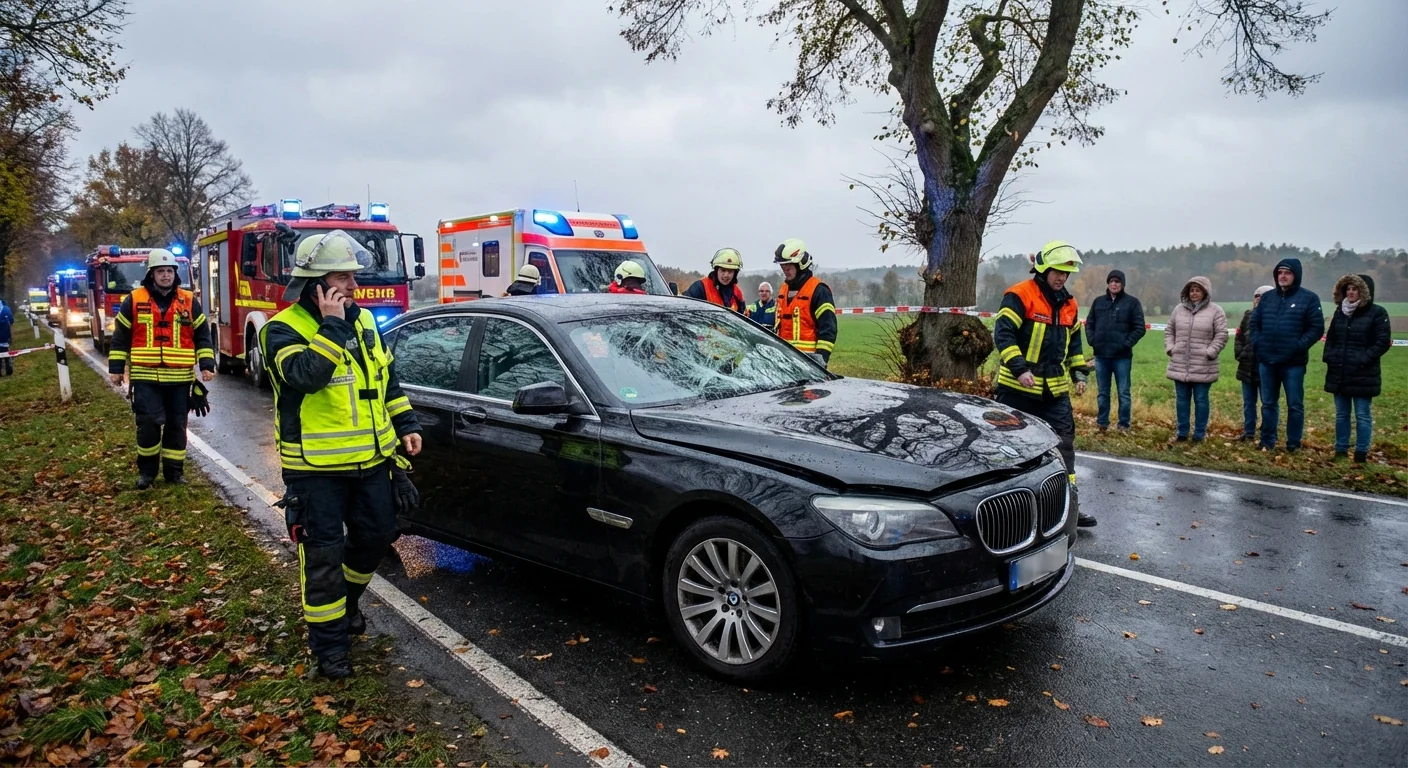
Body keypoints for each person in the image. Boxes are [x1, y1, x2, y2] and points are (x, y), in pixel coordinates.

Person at [258, 230, 423, 679]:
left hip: (371, 463)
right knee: (324, 560)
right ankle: (328, 650)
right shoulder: (280, 330)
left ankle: (347, 605)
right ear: (316, 284)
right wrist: (331, 325)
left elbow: (385, 379)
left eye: (353, 277)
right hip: (315, 471)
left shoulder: (365, 321)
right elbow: (306, 377)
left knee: (377, 536)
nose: (353, 286)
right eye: (342, 278)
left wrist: (404, 424)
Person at [994, 241, 1095, 527]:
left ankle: (1070, 507)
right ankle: (1008, 510)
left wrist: (1079, 374)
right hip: (1017, 389)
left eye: (1066, 273)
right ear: (1043, 269)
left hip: (1055, 389)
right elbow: (1003, 336)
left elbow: (1074, 343)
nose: (1062, 277)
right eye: (1057, 271)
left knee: (1065, 448)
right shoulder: (1019, 295)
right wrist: (1019, 369)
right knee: (1011, 449)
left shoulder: (1070, 303)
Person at [107, 249, 215, 489]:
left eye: (169, 271)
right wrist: (116, 368)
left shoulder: (188, 300)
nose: (165, 275)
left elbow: (202, 335)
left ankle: (174, 473)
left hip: (179, 379)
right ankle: (147, 473)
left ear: (174, 274)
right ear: (151, 274)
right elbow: (120, 337)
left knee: (177, 426)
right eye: (160, 271)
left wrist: (207, 364)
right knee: (147, 425)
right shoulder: (134, 299)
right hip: (146, 378)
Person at [1249, 258, 1325, 452]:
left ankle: (1293, 443)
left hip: (1293, 363)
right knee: (1268, 404)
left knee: (1295, 405)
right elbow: (1254, 324)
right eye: (1280, 272)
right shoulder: (1267, 298)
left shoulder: (1309, 298)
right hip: (1267, 361)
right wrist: (1259, 344)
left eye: (1287, 273)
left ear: (1296, 275)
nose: (1283, 276)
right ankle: (1267, 441)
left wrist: (1298, 346)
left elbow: (1316, 328)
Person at [1322, 274, 1392, 463]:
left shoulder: (1377, 313)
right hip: (1340, 371)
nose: (1351, 292)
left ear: (1364, 292)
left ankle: (1361, 452)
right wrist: (1329, 356)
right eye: (1348, 289)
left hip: (1363, 373)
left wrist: (1363, 358)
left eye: (1355, 289)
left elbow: (1382, 341)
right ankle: (1340, 449)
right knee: (1342, 414)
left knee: (1362, 414)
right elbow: (1331, 338)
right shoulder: (1340, 312)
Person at [1164, 276, 1228, 443]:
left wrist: (1211, 352)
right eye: (1191, 290)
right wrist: (1171, 348)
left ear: (1205, 292)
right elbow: (1169, 330)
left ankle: (1199, 434)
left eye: (1197, 290)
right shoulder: (1178, 310)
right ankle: (1182, 433)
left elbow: (1222, 334)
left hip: (1203, 365)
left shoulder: (1216, 311)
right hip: (1180, 364)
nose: (1194, 293)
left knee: (1201, 400)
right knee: (1182, 400)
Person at [1083, 269, 1146, 431]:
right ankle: (1102, 423)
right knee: (1103, 393)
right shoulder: (1098, 302)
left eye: (1117, 282)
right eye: (1111, 281)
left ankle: (1123, 425)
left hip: (1122, 357)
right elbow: (1089, 323)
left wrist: (1125, 344)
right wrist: (1092, 340)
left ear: (1123, 284)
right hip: (1101, 355)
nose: (1114, 284)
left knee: (1123, 393)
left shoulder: (1132, 303)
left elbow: (1139, 328)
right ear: (1108, 284)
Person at [772, 238, 837, 368]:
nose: (785, 271)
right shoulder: (783, 289)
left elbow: (828, 330)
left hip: (809, 364)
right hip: (783, 363)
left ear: (801, 264)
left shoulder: (819, 290)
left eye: (788, 267)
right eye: (783, 267)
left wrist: (820, 361)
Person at [1234, 285, 1273, 441]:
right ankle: (1248, 432)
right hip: (1247, 366)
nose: (1258, 299)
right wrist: (1240, 354)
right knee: (1249, 402)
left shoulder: (1273, 317)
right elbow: (1239, 337)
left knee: (1267, 403)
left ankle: (1267, 432)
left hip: (1266, 367)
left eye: (1262, 296)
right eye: (1256, 296)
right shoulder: (1248, 316)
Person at [0, 298, 12, 376]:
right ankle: (8, 369)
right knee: (6, 353)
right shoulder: (6, 309)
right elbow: (11, 320)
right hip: (4, 335)